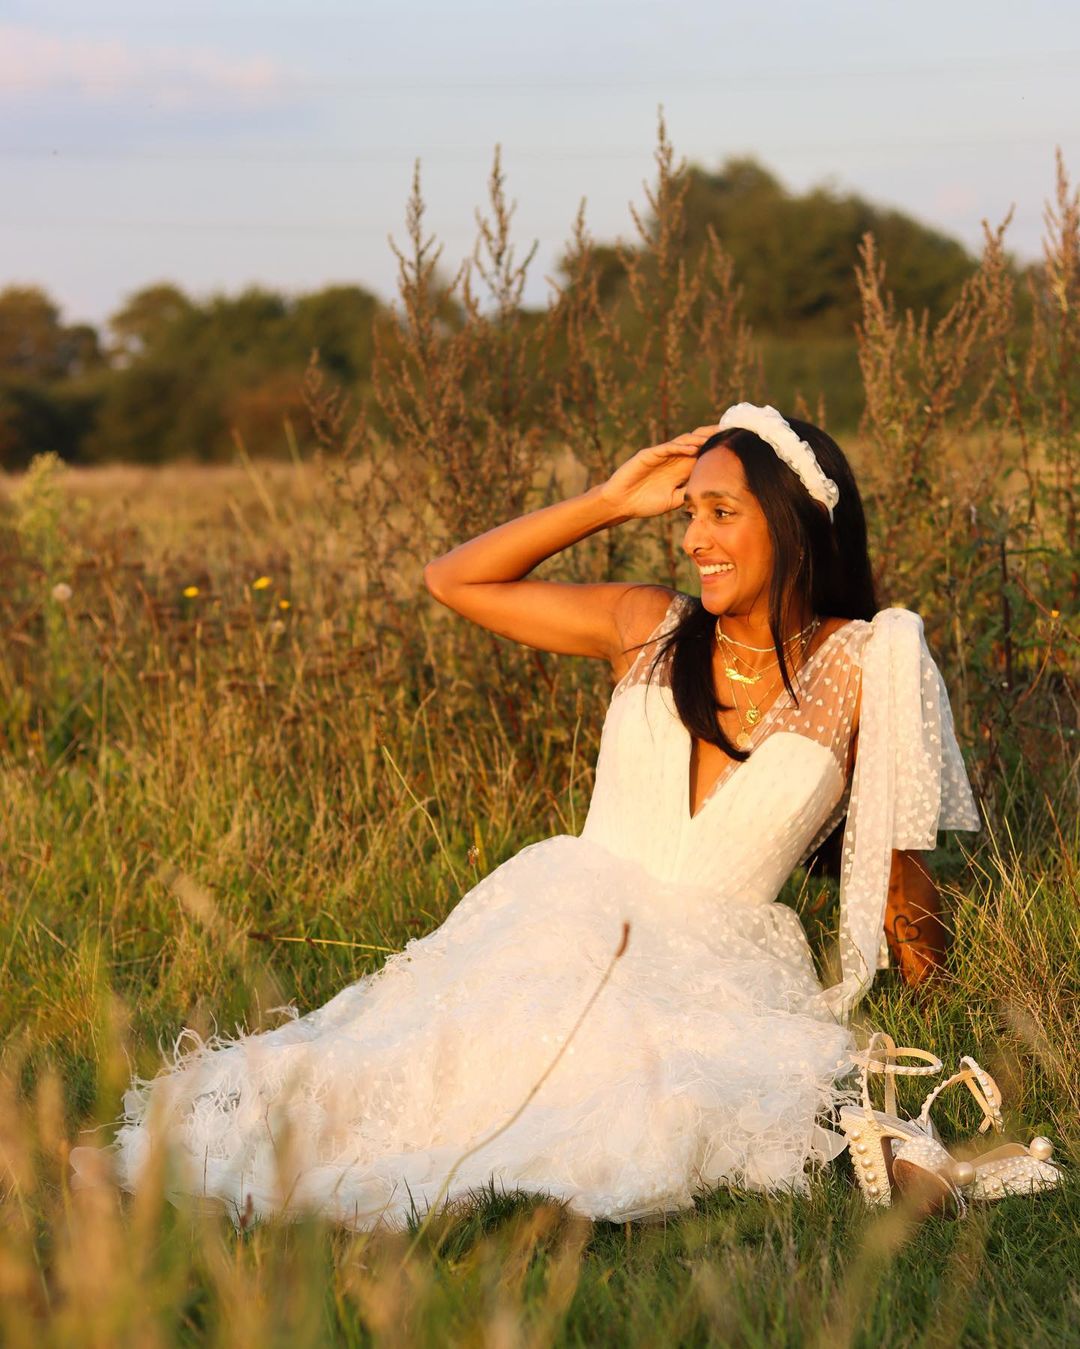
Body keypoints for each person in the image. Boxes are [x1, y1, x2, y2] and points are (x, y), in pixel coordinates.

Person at [71, 405, 980, 1229]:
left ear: (794, 521)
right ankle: (196, 1178)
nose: (694, 537)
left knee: (656, 1100)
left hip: (714, 963)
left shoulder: (867, 663)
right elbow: (456, 579)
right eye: (688, 512)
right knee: (409, 1069)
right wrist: (608, 501)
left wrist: (937, 992)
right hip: (561, 922)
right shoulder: (646, 624)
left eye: (721, 511)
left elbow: (899, 861)